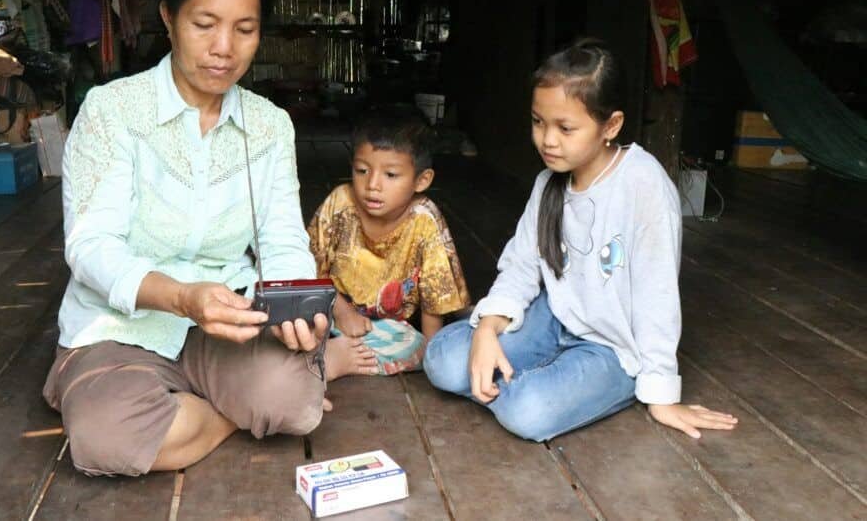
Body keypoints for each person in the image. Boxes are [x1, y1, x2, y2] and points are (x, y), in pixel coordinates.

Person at [43, 0, 330, 477]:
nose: (224, 48)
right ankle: (230, 411)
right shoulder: (113, 111)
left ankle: (196, 412)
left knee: (293, 404)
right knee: (108, 440)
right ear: (168, 18)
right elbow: (91, 246)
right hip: (121, 328)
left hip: (228, 324)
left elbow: (283, 240)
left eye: (244, 29)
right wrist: (181, 297)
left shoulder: (270, 126)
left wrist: (294, 307)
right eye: (204, 24)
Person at [423, 40, 738, 441]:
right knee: (442, 360)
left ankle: (558, 387)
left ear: (611, 126)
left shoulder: (643, 184)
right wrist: (487, 327)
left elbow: (656, 296)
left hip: (612, 346)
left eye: (565, 128)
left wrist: (660, 394)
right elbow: (521, 266)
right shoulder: (548, 183)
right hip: (552, 317)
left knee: (529, 412)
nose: (548, 140)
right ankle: (534, 381)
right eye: (538, 122)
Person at [308, 110, 470, 380]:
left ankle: (331, 356)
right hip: (330, 309)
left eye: (391, 175)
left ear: (422, 180)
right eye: (362, 171)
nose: (372, 185)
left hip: (387, 329)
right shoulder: (340, 202)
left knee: (413, 346)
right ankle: (328, 354)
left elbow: (433, 295)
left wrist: (433, 356)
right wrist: (342, 310)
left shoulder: (424, 219)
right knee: (294, 322)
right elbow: (308, 265)